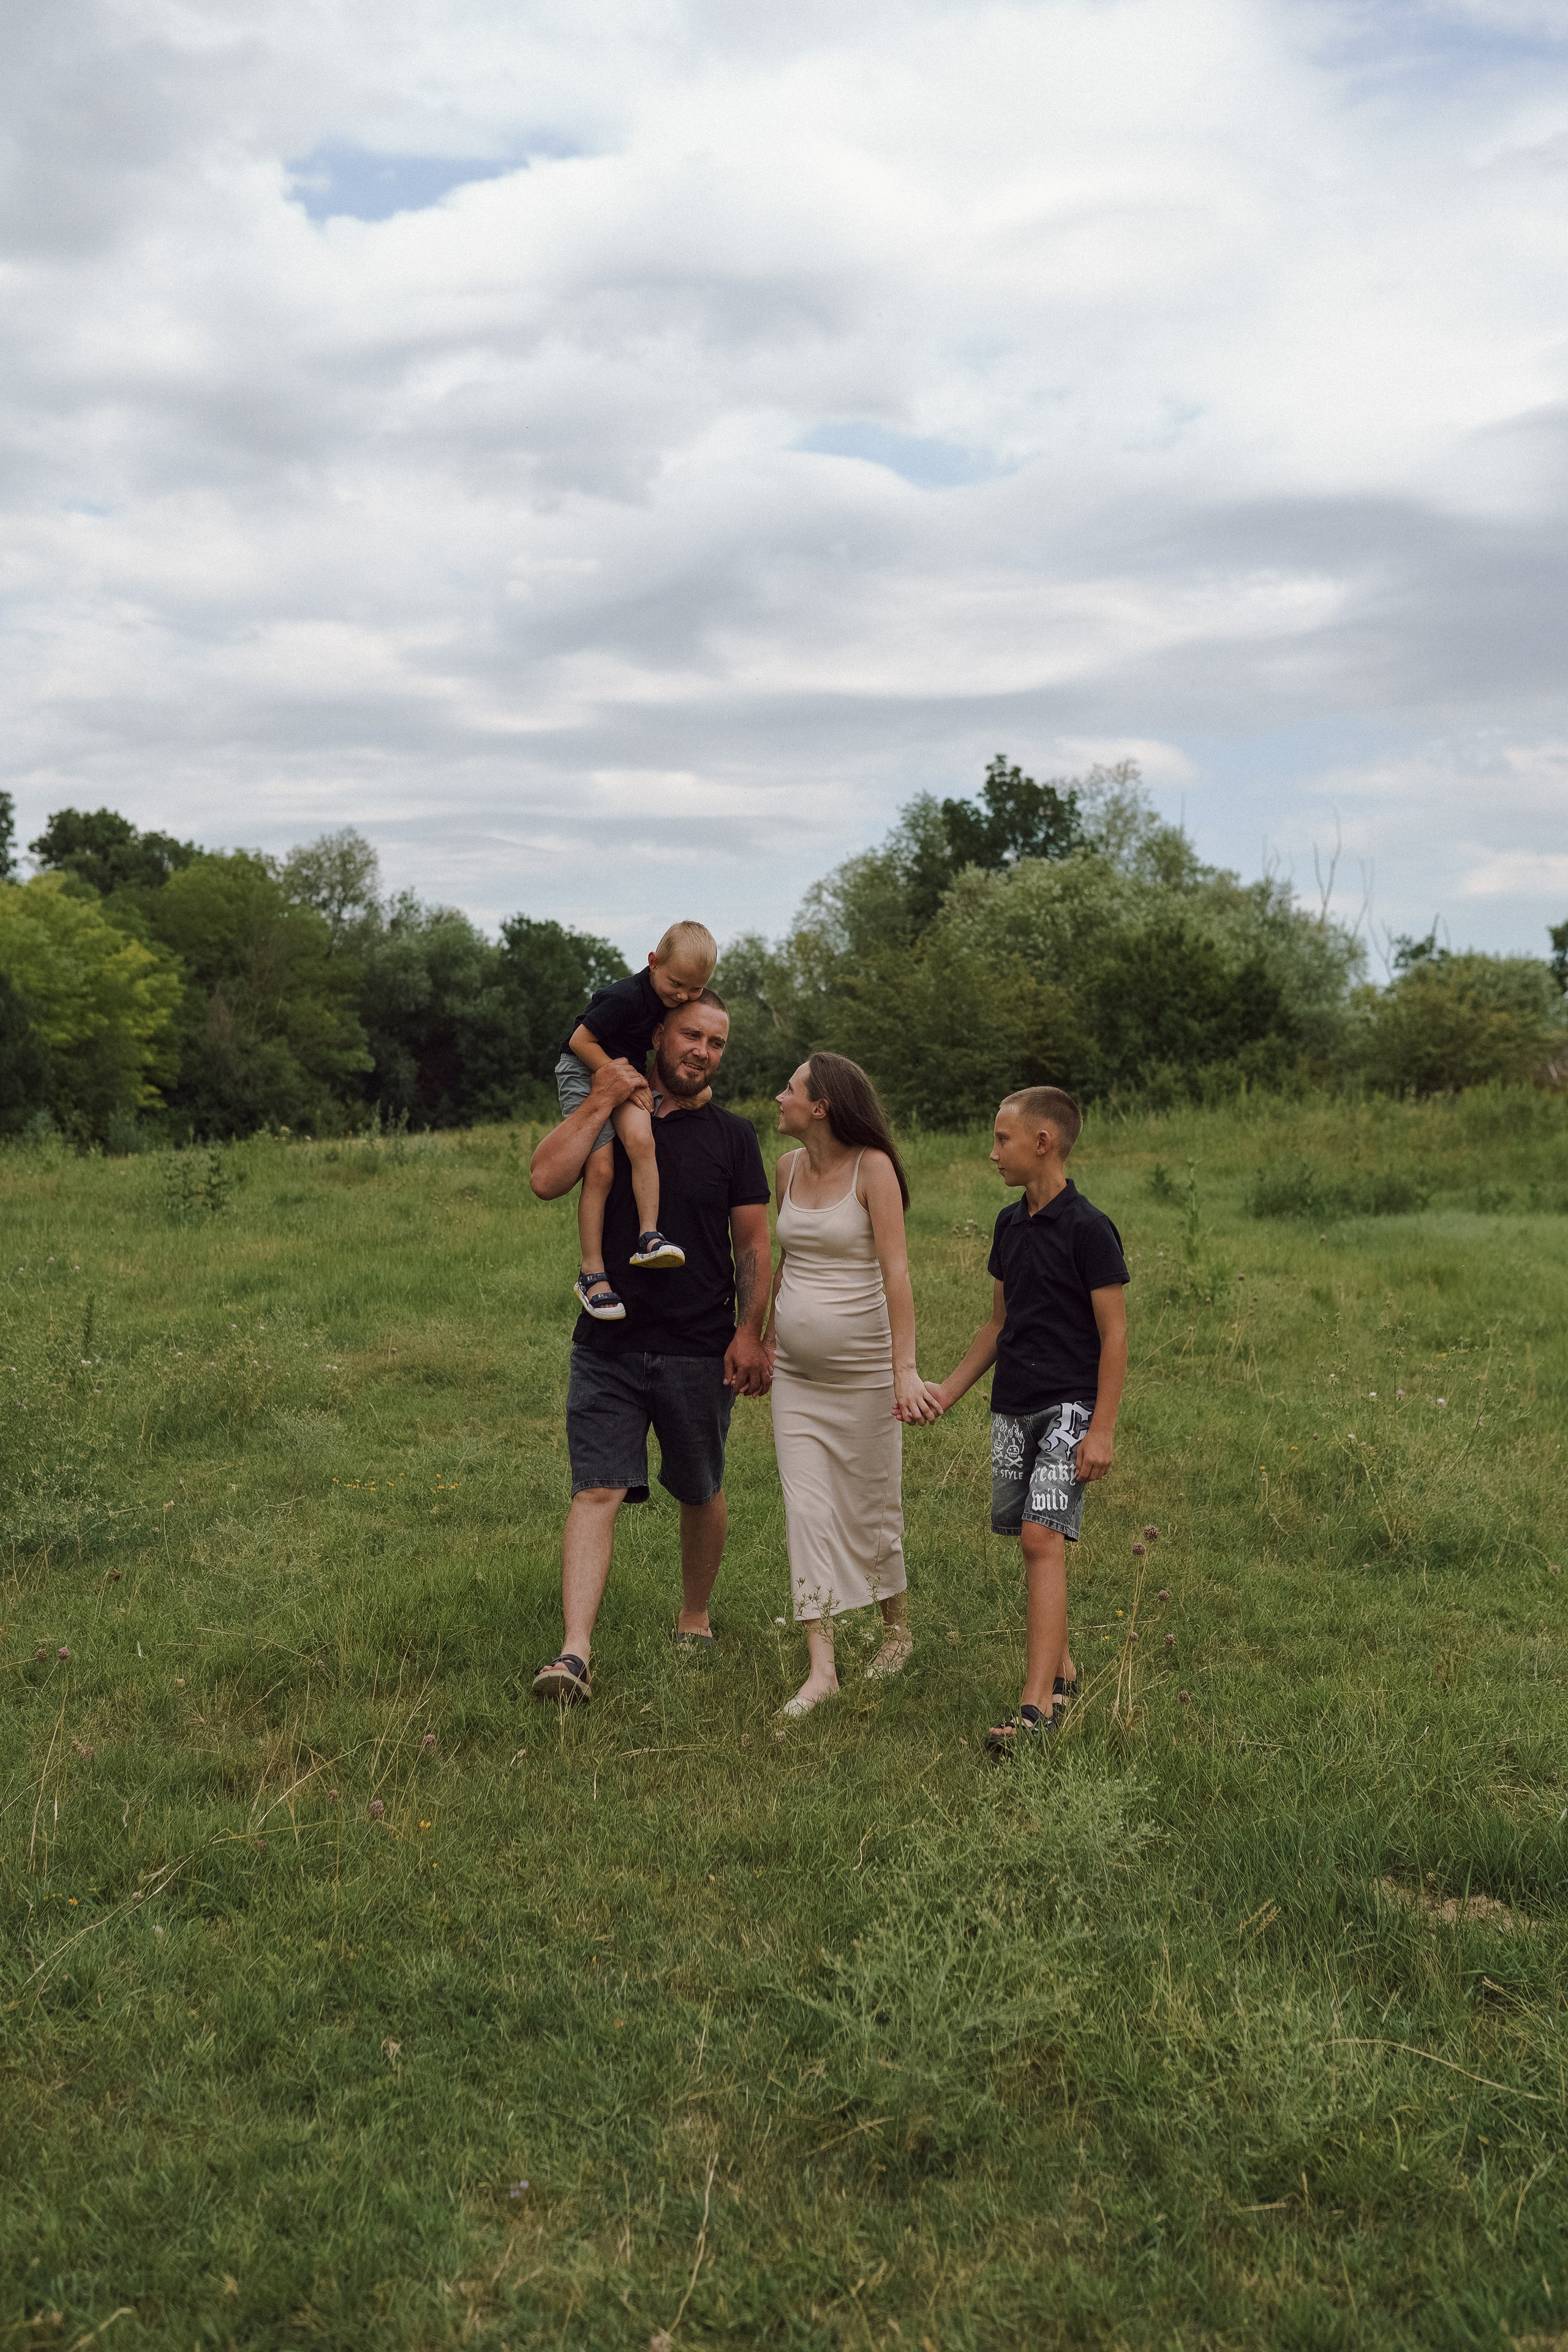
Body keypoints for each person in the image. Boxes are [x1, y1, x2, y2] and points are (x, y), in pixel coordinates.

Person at [528, 990, 771, 1702]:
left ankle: (693, 1617)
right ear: (660, 1036)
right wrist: (602, 1093)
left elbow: (753, 1242)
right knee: (596, 1488)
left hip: (701, 1346)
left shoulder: (734, 1136)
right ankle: (574, 1654)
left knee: (700, 1487)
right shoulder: (610, 1113)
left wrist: (749, 1331)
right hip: (607, 1340)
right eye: (692, 1035)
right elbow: (545, 1180)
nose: (703, 1051)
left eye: (717, 1043)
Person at [925, 1086, 1128, 1752]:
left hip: (1071, 1406)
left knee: (1043, 1539)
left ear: (1042, 1141)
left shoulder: (1090, 1229)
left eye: (1002, 1139)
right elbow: (997, 1324)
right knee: (1028, 1540)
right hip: (1012, 1407)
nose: (992, 1153)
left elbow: (1115, 1335)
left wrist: (1100, 1429)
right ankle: (1063, 1672)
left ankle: (1035, 1709)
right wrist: (947, 1393)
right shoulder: (1008, 1225)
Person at [764, 1053, 940, 1719]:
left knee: (871, 1505)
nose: (777, 1096)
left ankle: (897, 1631)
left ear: (821, 1107)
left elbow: (897, 1273)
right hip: (798, 1382)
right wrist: (761, 1336)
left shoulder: (874, 1169)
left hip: (866, 1376)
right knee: (805, 1511)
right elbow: (787, 1259)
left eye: (790, 1088)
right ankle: (822, 1670)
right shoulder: (784, 1169)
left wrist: (903, 1369)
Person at [554, 920, 720, 1321]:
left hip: (626, 1073)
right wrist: (620, 1082)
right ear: (653, 963)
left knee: (643, 1141)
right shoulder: (625, 998)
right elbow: (580, 1041)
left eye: (694, 989)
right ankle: (592, 1273)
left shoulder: (672, 1001)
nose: (683, 995)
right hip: (583, 1069)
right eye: (676, 984)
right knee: (602, 1170)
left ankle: (649, 1237)